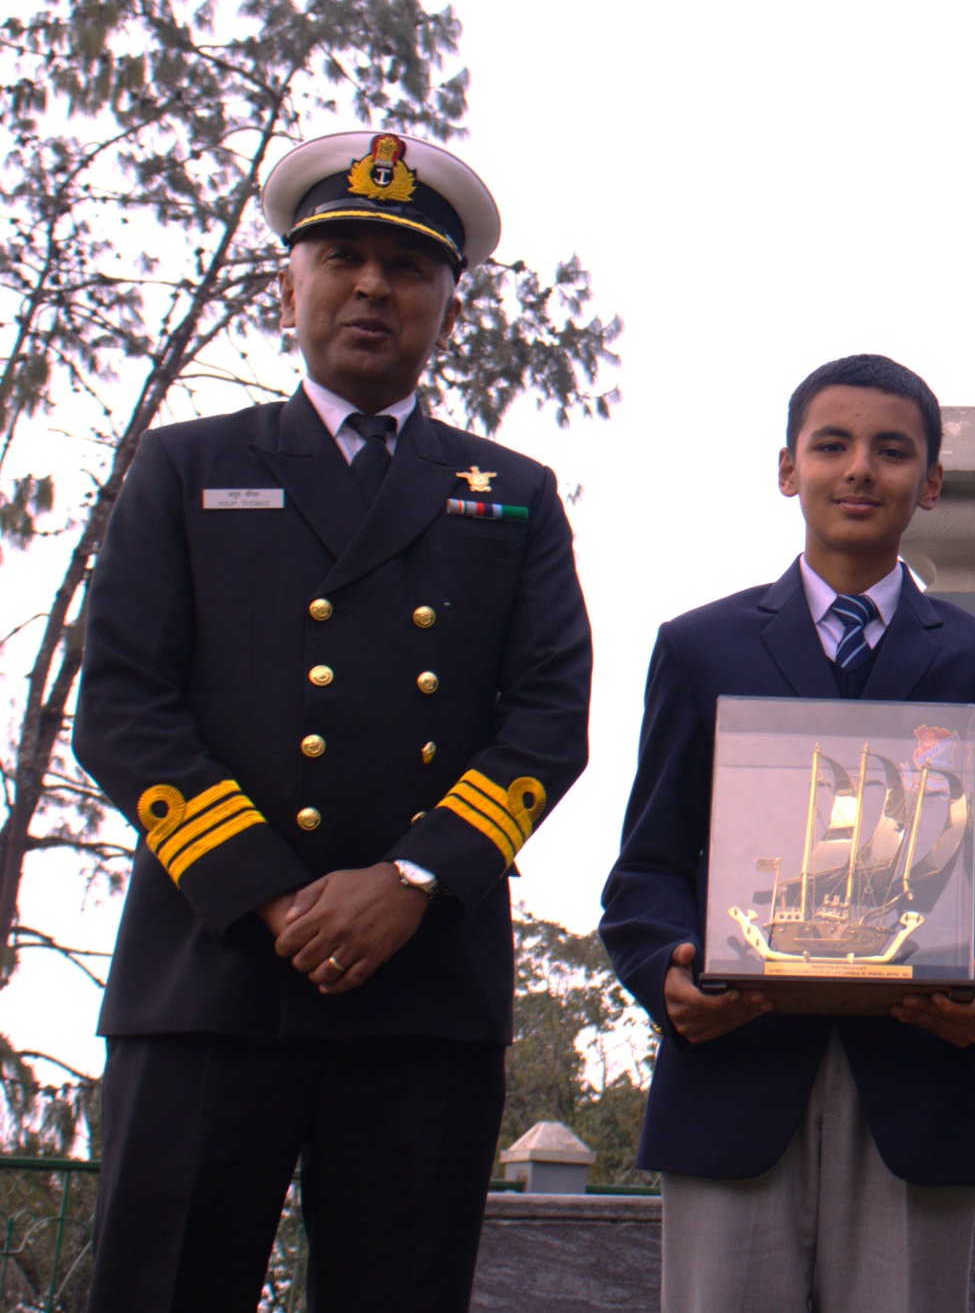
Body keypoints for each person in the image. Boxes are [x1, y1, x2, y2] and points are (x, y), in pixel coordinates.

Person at [72, 130, 592, 1313]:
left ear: (451, 308)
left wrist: (408, 879)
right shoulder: (184, 468)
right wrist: (275, 895)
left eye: (407, 267)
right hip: (211, 973)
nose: (372, 287)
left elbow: (549, 718)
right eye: (342, 258)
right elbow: (125, 707)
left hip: (422, 987)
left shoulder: (511, 495)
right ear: (286, 287)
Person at [600, 355, 975, 1313]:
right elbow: (646, 869)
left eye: (891, 451)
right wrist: (665, 975)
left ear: (930, 481)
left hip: (918, 1081)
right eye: (832, 446)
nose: (859, 470)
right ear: (787, 468)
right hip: (736, 1070)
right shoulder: (700, 649)